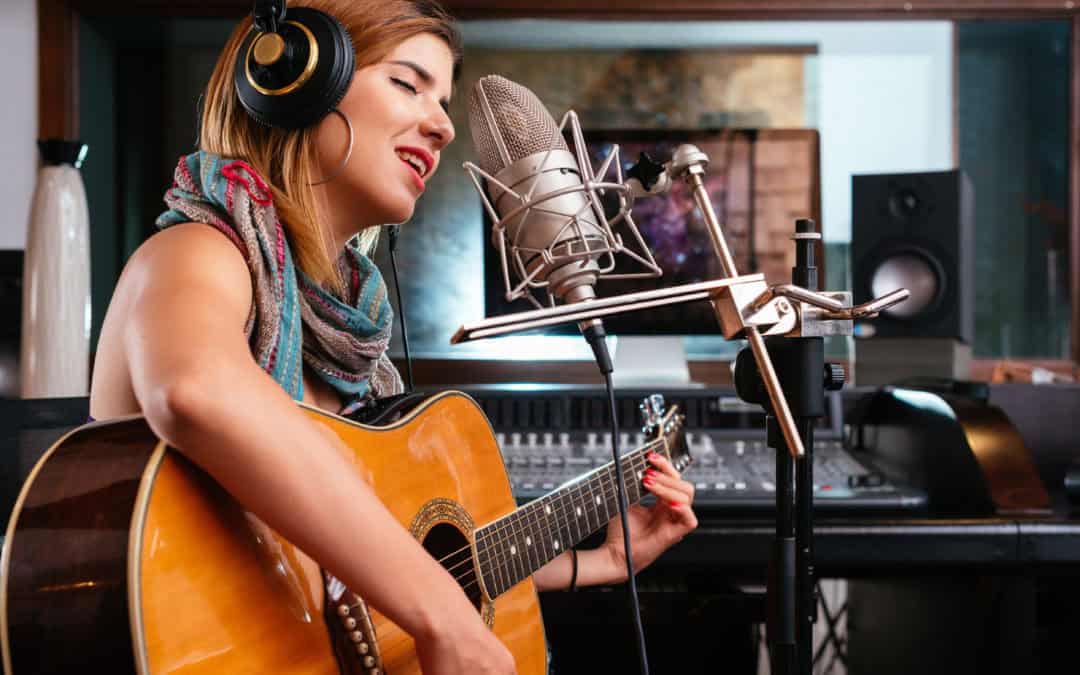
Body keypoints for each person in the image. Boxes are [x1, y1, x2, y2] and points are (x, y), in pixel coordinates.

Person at [87, 1, 698, 673]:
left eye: (442, 100)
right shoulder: (198, 252)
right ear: (297, 82)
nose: (441, 125)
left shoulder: (358, 337)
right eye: (408, 84)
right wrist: (438, 612)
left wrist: (603, 560)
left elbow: (385, 576)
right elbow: (195, 390)